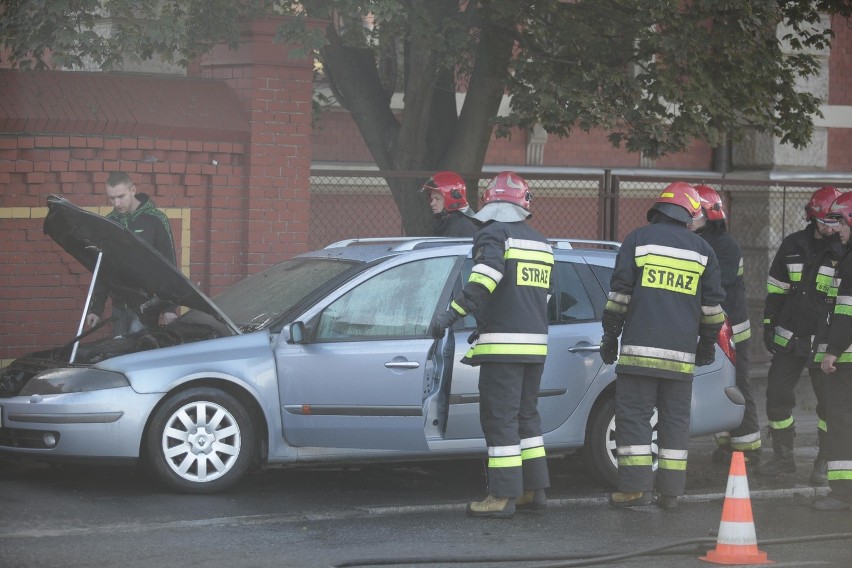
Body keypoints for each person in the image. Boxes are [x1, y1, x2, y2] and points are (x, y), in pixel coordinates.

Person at [430, 171, 553, 519]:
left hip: (504, 347)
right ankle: (534, 490)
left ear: (489, 201)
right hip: (535, 345)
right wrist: (486, 323)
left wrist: (451, 315)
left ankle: (502, 497)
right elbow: (538, 295)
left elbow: (486, 278)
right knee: (526, 418)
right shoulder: (541, 242)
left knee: (499, 419)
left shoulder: (492, 233)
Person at [601, 181, 725, 510]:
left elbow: (619, 296)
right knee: (674, 421)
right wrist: (707, 346)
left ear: (659, 210)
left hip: (639, 354)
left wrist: (610, 335)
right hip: (681, 358)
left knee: (634, 418)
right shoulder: (703, 251)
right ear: (689, 214)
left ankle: (635, 489)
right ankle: (671, 493)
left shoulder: (637, 240)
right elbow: (713, 310)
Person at [758, 185, 843, 484]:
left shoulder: (844, 251)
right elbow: (776, 291)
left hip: (825, 340)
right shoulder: (792, 245)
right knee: (777, 395)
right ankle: (783, 457)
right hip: (791, 337)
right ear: (812, 216)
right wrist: (769, 324)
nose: (828, 226)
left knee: (828, 404)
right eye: (822, 219)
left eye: (834, 221)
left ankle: (824, 460)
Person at [689, 185, 762, 464]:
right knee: (717, 387)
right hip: (712, 328)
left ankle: (749, 448)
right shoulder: (701, 242)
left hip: (731, 331)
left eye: (693, 213)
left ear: (708, 215)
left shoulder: (725, 246)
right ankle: (726, 444)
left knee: (738, 385)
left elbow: (718, 285)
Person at [86, 172, 178, 334]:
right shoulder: (109, 223)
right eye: (112, 198)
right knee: (119, 354)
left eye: (121, 196)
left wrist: (169, 308)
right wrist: (96, 308)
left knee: (139, 355)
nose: (117, 203)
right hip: (119, 307)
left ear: (133, 190)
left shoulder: (156, 219)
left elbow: (169, 264)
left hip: (146, 307)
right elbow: (104, 268)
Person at [812, 191, 852, 511]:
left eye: (841, 222)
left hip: (847, 361)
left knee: (840, 422)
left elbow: (846, 312)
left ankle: (842, 494)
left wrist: (832, 351)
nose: (837, 229)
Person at [421, 171, 478, 237]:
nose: (432, 204)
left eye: (437, 199)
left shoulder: (463, 227)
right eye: (432, 199)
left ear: (452, 200)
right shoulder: (447, 222)